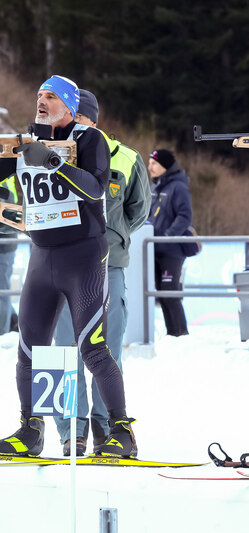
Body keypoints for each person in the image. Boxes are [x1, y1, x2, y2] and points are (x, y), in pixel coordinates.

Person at [0, 75, 137, 458]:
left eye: (51, 96)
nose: (41, 100)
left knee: (93, 349)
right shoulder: (27, 140)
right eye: (39, 94)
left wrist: (52, 161)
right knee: (29, 351)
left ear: (70, 106)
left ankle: (122, 431)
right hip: (42, 258)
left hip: (83, 258)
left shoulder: (89, 139)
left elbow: (95, 187)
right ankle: (31, 429)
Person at [52, 89, 151, 456]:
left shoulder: (125, 157)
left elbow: (138, 211)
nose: (74, 125)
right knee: (65, 350)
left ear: (93, 120)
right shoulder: (49, 153)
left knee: (106, 349)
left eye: (80, 118)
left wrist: (111, 236)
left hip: (108, 267)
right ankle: (71, 430)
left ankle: (107, 428)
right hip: (62, 266)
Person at [147, 148, 192, 337]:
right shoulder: (155, 188)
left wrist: (167, 236)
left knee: (170, 292)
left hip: (171, 251)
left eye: (154, 163)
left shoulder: (178, 187)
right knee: (162, 293)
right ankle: (172, 334)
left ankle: (181, 334)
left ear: (165, 166)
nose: (150, 167)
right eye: (149, 163)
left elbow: (185, 216)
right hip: (154, 248)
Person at [0, 176, 19, 335]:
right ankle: (13, 321)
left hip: (4, 245)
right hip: (6, 242)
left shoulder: (5, 181)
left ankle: (3, 334)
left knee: (1, 291)